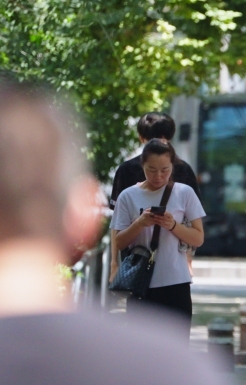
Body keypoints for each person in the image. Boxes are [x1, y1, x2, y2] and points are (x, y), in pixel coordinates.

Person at [0, 80, 225, 384]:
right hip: (164, 269)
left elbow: (116, 213)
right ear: (80, 220)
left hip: (145, 266)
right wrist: (185, 253)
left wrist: (119, 265)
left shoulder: (135, 171)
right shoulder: (176, 367)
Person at [110, 139, 206, 341]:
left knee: (178, 351)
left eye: (165, 169)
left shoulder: (184, 193)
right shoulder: (128, 196)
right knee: (140, 352)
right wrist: (140, 223)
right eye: (151, 170)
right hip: (140, 285)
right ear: (142, 166)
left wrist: (173, 225)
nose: (159, 176)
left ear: (173, 166)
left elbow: (198, 238)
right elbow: (119, 242)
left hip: (176, 282)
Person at [110, 112, 200, 281]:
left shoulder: (183, 171)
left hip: (173, 265)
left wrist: (188, 258)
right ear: (143, 139)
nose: (159, 175)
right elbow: (117, 222)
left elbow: (193, 222)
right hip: (135, 262)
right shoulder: (127, 170)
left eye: (165, 170)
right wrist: (114, 264)